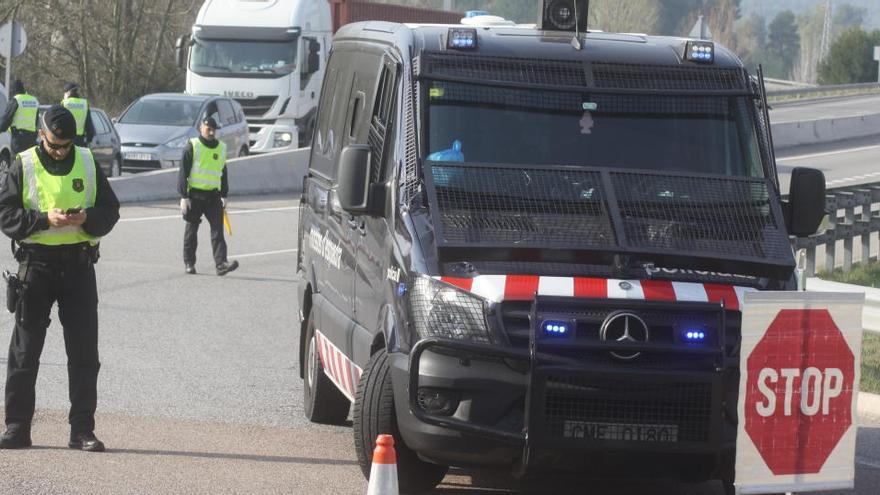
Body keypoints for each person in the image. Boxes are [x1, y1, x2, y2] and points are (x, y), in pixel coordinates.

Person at [0, 105, 119, 451]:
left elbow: (110, 210)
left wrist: (86, 218)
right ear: (41, 135)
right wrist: (41, 220)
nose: (60, 151)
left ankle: (82, 429)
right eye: (54, 145)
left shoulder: (86, 160)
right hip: (35, 268)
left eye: (65, 145)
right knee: (25, 351)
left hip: (79, 267)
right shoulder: (23, 164)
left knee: (84, 353)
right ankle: (17, 427)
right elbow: (5, 213)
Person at [178, 116, 239, 276]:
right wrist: (184, 196)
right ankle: (189, 263)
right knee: (191, 231)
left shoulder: (221, 148)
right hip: (194, 196)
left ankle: (221, 264)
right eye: (208, 129)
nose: (211, 132)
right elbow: (183, 172)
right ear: (201, 128)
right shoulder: (192, 146)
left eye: (213, 129)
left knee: (218, 231)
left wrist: (224, 195)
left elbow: (223, 172)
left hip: (213, 196)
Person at [0, 80, 40, 157]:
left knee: (18, 161)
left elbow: (6, 118)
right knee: (29, 160)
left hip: (19, 138)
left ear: (14, 90)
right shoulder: (34, 100)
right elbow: (36, 120)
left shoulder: (16, 100)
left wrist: (1, 129)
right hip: (32, 137)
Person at [60, 83, 95, 147]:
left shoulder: (64, 103)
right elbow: (89, 124)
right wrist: (89, 139)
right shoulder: (84, 104)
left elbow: (59, 123)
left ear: (67, 93)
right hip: (79, 140)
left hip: (65, 139)